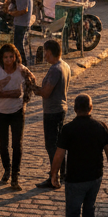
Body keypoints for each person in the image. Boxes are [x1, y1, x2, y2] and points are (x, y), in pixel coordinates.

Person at [0, 42, 37, 190]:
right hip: (0, 112)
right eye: (6, 57)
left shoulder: (21, 70)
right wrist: (11, 94)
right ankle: (7, 169)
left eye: (11, 57)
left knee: (17, 144)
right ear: (1, 58)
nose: (8, 60)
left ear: (15, 57)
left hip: (17, 112)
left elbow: (32, 80)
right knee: (3, 144)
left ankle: (15, 175)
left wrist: (18, 94)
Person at [35, 38, 71, 189]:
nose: (44, 56)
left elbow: (46, 92)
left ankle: (54, 176)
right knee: (59, 144)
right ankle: (62, 173)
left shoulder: (55, 69)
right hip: (60, 108)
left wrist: (33, 88)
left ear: (49, 53)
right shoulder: (65, 65)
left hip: (53, 111)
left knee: (52, 146)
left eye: (45, 53)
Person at [7, 0, 34, 66]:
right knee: (19, 43)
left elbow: (23, 10)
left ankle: (23, 64)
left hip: (21, 22)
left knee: (18, 45)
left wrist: (11, 13)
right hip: (23, 21)